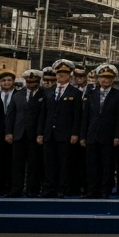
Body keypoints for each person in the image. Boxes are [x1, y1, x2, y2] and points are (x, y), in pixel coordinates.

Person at [80, 64, 119, 198]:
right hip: (92, 134)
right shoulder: (91, 94)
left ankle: (105, 190)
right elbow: (86, 116)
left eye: (108, 78)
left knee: (108, 165)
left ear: (113, 80)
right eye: (102, 77)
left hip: (109, 135)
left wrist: (118, 135)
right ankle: (92, 190)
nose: (105, 80)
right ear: (98, 79)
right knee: (91, 165)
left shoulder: (118, 95)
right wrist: (83, 135)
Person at [40, 60, 83, 198]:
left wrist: (75, 133)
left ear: (69, 75)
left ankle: (62, 189)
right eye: (59, 74)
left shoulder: (75, 92)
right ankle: (49, 188)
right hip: (49, 133)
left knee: (64, 163)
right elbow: (43, 114)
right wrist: (40, 133)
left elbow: (77, 115)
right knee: (49, 163)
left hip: (65, 133)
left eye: (64, 74)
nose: (61, 76)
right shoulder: (48, 92)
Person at [6, 70, 45, 196]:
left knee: (34, 164)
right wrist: (9, 132)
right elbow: (11, 115)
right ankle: (16, 189)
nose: (31, 84)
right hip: (18, 133)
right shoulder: (18, 95)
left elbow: (43, 116)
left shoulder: (44, 94)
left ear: (38, 81)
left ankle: (32, 190)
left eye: (33, 82)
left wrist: (40, 133)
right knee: (17, 164)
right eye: (28, 82)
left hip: (34, 135)